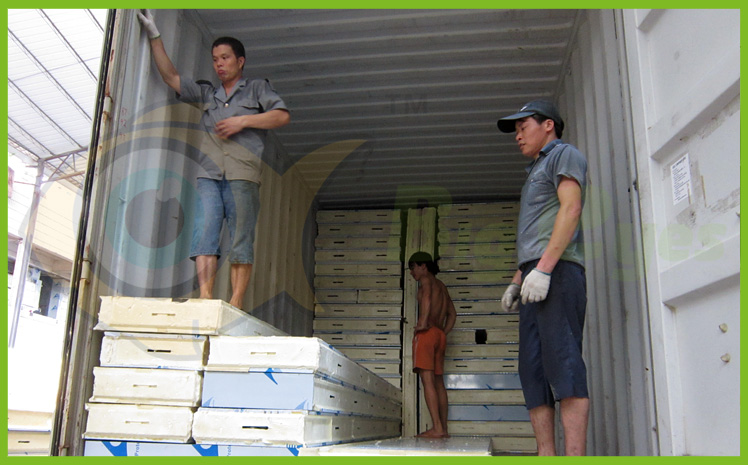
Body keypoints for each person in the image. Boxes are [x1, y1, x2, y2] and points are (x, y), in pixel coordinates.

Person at [137, 10, 290, 310]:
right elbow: (170, 76)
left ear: (240, 61)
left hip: (243, 176)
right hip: (208, 175)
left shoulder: (258, 89)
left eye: (225, 58)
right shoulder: (207, 93)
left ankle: (235, 302)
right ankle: (205, 299)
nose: (219, 64)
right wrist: (155, 34)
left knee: (240, 240)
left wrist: (243, 121)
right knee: (204, 234)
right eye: (215, 59)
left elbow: (281, 116)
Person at [496, 100, 589, 456]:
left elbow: (571, 208)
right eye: (515, 130)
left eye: (523, 126)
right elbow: (538, 231)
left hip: (559, 272)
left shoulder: (564, 155)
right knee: (532, 370)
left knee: (563, 364)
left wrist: (545, 269)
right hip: (537, 274)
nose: (517, 135)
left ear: (548, 125)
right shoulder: (536, 169)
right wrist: (519, 278)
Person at [408, 251, 457, 439]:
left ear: (424, 266)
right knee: (438, 383)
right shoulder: (442, 286)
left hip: (428, 334)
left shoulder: (426, 280)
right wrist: (442, 333)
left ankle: (436, 428)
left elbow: (427, 296)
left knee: (427, 380)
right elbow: (452, 315)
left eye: (413, 267)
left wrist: (423, 321)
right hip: (439, 335)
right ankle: (443, 428)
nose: (411, 272)